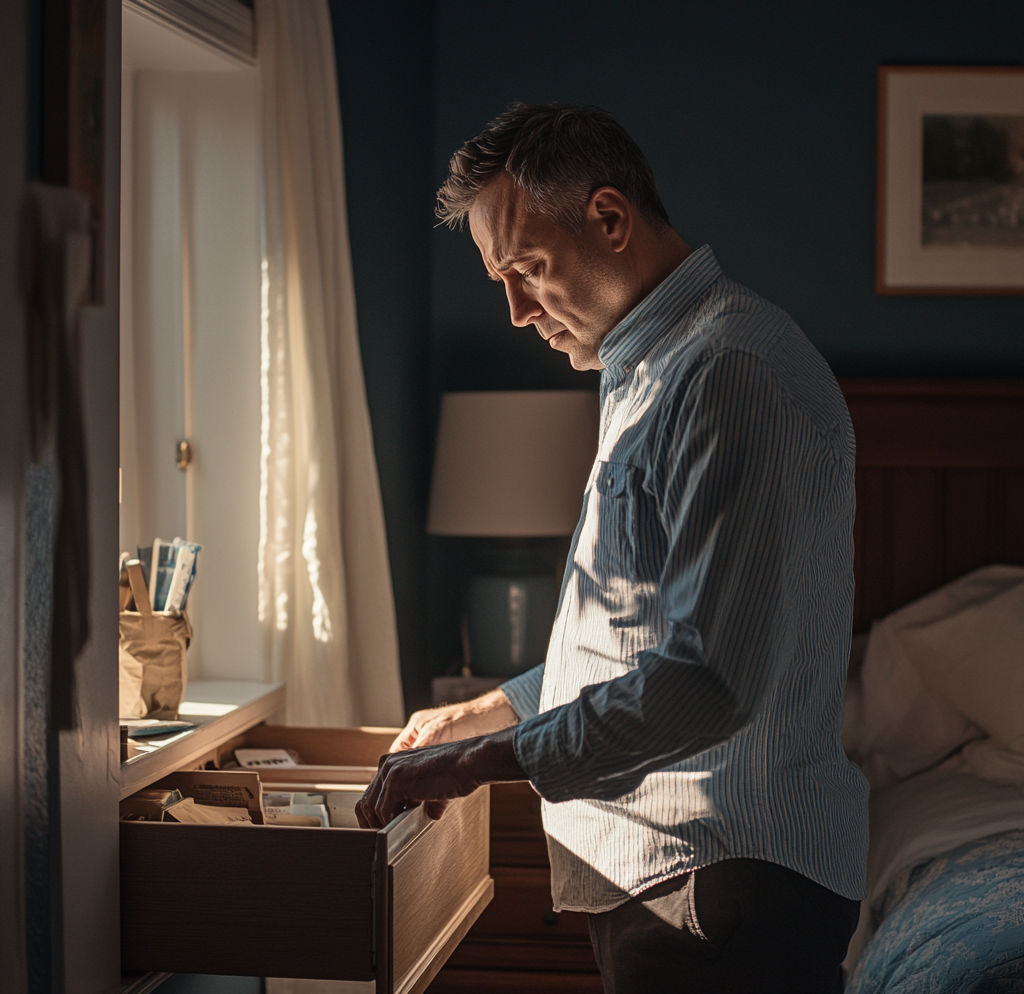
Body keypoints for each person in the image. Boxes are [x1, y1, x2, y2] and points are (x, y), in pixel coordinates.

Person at [355, 103, 868, 993]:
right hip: (673, 881)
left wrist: (480, 764)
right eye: (499, 279)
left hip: (716, 887)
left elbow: (708, 679)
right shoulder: (656, 370)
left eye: (527, 270)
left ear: (608, 217)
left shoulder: (728, 374)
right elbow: (640, 636)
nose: (516, 311)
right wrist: (495, 711)